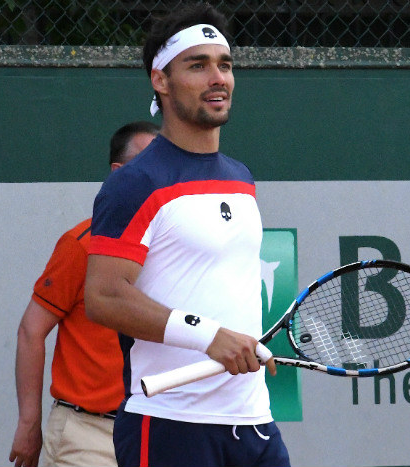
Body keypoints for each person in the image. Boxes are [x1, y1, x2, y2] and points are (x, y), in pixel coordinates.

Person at [83, 4, 291, 467]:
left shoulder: (241, 179)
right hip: (169, 423)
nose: (218, 78)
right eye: (198, 66)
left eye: (225, 65)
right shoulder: (135, 183)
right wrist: (209, 335)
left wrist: (241, 342)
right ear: (161, 80)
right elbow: (103, 296)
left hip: (254, 421)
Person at [9, 121, 160, 467]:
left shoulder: (178, 248)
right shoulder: (82, 245)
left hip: (158, 433)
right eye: (148, 166)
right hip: (87, 434)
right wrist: (29, 423)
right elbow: (31, 331)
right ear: (119, 174)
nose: (160, 176)